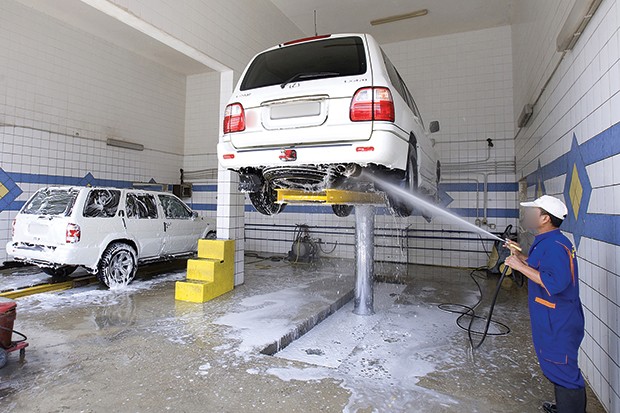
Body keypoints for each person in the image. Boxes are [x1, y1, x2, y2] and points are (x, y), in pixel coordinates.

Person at [504, 195, 586, 413]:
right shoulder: (547, 241)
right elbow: (539, 268)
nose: (528, 216)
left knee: (564, 370)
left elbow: (556, 283)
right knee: (555, 365)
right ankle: (564, 408)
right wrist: (519, 257)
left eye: (534, 212)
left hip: (558, 320)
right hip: (550, 317)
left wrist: (518, 267)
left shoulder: (556, 245)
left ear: (545, 219)